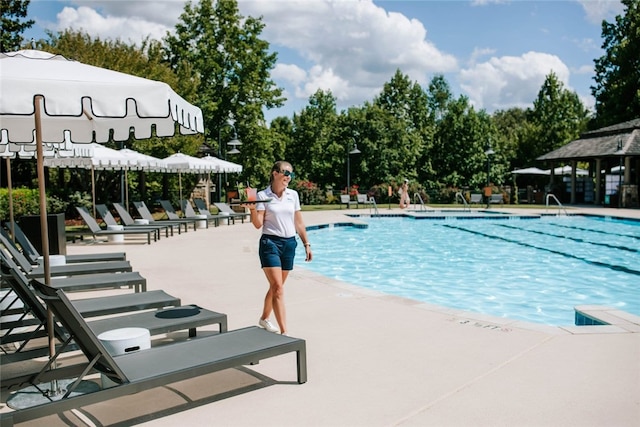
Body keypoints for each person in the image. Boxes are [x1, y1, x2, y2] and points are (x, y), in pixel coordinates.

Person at [243, 161, 312, 335]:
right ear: (275, 173)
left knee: (276, 287)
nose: (289, 177)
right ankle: (284, 332)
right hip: (270, 244)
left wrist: (306, 244)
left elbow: (299, 222)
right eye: (285, 173)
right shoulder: (263, 195)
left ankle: (264, 318)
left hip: (289, 244)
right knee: (278, 288)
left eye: (291, 174)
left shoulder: (293, 195)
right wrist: (252, 210)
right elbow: (258, 224)